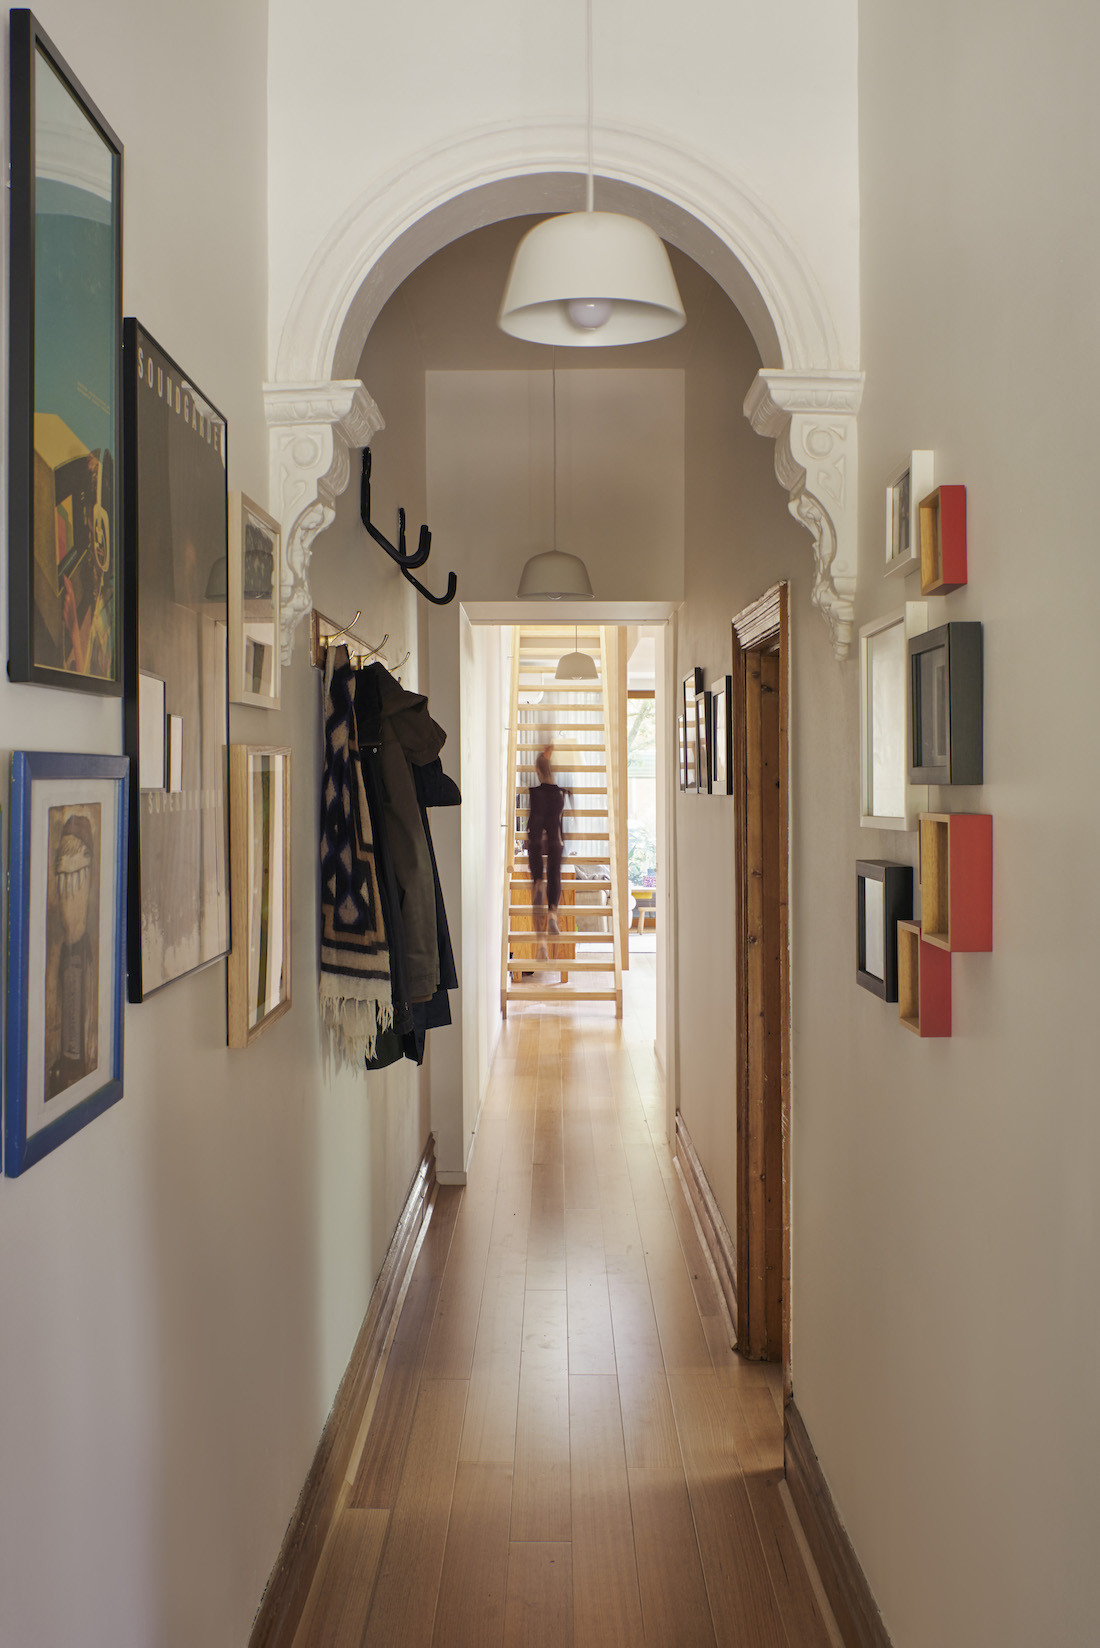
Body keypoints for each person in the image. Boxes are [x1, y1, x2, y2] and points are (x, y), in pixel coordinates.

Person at [525, 745, 565, 961]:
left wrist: (543, 756)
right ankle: (553, 914)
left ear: (538, 772)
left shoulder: (534, 793)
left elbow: (533, 820)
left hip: (535, 841)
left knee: (537, 884)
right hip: (555, 842)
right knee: (555, 876)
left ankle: (541, 946)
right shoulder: (560, 794)